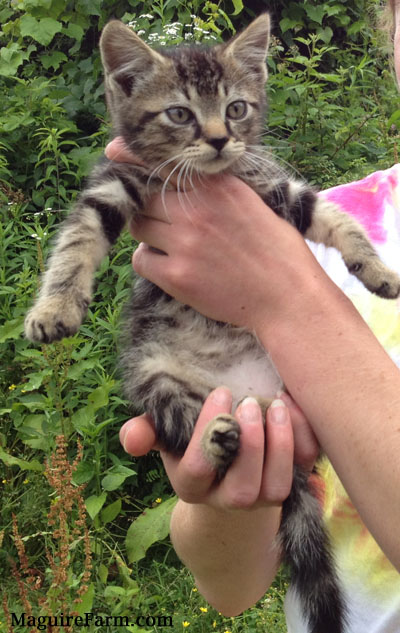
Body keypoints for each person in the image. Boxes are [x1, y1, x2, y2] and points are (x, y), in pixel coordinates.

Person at [111, 3, 400, 631]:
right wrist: (231, 492)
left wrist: (287, 300)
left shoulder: (295, 256)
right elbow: (228, 589)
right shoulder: (330, 220)